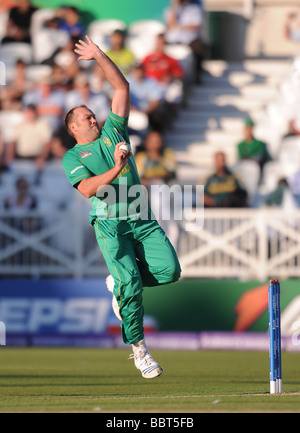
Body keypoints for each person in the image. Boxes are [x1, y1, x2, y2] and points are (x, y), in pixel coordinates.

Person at [62, 35, 181, 379]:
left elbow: (121, 86)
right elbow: (87, 189)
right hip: (110, 223)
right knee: (130, 283)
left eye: (92, 114)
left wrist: (99, 54)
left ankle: (120, 286)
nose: (93, 118)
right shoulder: (74, 156)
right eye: (86, 117)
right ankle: (140, 350)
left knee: (170, 271)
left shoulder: (115, 129)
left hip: (142, 218)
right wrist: (115, 168)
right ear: (73, 128)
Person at [164, 0, 204, 84]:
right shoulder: (171, 10)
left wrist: (180, 26)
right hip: (173, 40)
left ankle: (196, 76)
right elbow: (170, 23)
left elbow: (197, 25)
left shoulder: (194, 9)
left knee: (199, 48)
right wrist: (174, 6)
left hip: (189, 40)